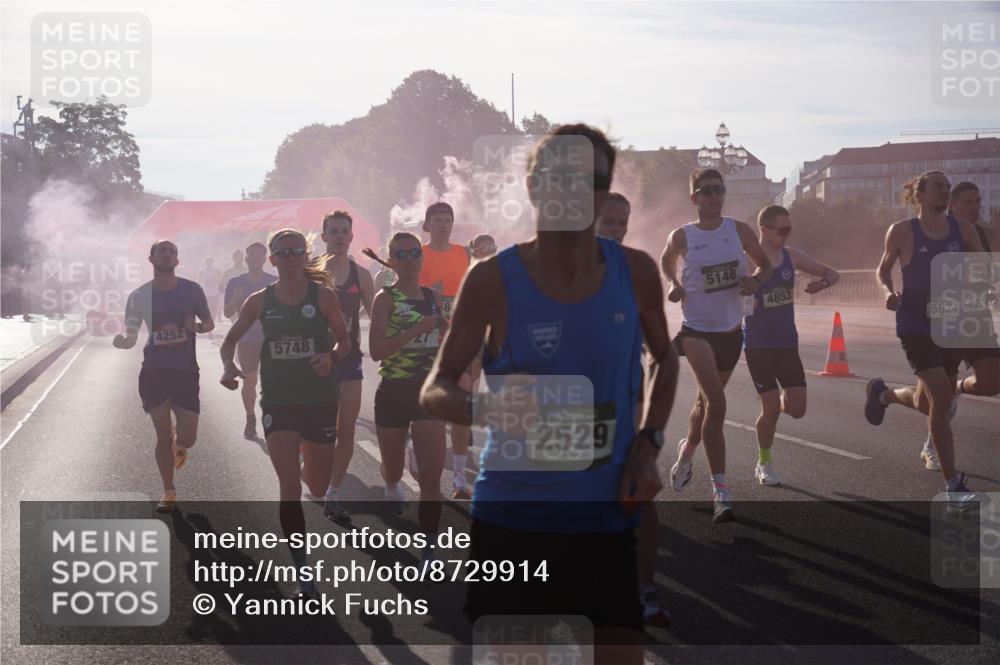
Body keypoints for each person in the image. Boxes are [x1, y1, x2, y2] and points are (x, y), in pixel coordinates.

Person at [421, 124, 679, 664]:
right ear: (535, 186)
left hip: (604, 518)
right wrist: (492, 409)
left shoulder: (635, 271)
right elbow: (435, 389)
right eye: (561, 177)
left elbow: (665, 357)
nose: (576, 191)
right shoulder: (491, 278)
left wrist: (649, 442)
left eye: (592, 180)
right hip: (514, 519)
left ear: (605, 191)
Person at [220, 229, 350, 598]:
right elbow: (229, 341)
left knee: (318, 486)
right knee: (289, 488)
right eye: (284, 252)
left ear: (304, 257)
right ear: (273, 259)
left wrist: (331, 356)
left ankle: (308, 460)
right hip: (278, 400)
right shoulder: (259, 301)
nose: (291, 257)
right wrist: (229, 368)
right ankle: (302, 568)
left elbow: (345, 340)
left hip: (320, 399)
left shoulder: (323, 296)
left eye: (297, 251)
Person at [865, 171, 997, 506]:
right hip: (916, 324)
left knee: (930, 404)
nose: (945, 192)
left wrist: (982, 286)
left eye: (947, 188)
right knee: (940, 395)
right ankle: (953, 485)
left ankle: (885, 394)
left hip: (952, 322)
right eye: (939, 187)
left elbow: (983, 269)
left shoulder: (963, 230)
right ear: (919, 195)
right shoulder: (901, 231)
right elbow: (882, 270)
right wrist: (886, 291)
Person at [660, 168, 771, 523]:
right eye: (705, 191)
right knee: (718, 403)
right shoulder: (682, 236)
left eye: (718, 190)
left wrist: (755, 281)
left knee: (705, 405)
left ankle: (688, 450)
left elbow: (764, 264)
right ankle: (721, 492)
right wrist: (673, 284)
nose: (713, 196)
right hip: (696, 332)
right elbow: (665, 261)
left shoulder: (738, 230)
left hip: (730, 330)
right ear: (694, 198)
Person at [363, 233, 448, 564]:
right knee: (394, 470)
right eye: (402, 254)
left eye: (415, 253)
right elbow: (376, 351)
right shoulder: (385, 298)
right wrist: (415, 330)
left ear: (421, 257)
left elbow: (440, 343)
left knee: (430, 477)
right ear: (392, 260)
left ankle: (429, 548)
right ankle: (391, 482)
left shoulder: (433, 297)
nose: (410, 258)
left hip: (427, 393)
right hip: (394, 393)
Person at [114, 240, 214, 512]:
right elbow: (131, 334)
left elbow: (209, 323)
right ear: (151, 258)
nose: (167, 255)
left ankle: (179, 446)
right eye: (162, 251)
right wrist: (123, 341)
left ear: (177, 261)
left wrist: (196, 326)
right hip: (154, 371)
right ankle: (168, 491)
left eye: (172, 252)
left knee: (188, 437)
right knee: (161, 435)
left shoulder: (191, 290)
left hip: (185, 371)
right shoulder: (139, 296)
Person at [743, 205, 839, 485]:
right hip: (758, 343)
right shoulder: (747, 260)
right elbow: (726, 293)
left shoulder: (791, 256)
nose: (787, 234)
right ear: (764, 230)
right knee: (770, 409)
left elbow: (833, 273)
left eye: (789, 229)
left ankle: (771, 406)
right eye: (782, 230)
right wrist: (746, 301)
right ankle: (764, 462)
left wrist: (821, 284)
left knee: (797, 410)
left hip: (786, 342)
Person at [321, 211, 376, 523]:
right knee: (319, 429)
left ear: (351, 237)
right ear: (325, 235)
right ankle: (309, 452)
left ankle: (334, 493)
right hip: (314, 363)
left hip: (350, 360)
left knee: (347, 428)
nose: (340, 236)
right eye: (334, 231)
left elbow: (376, 314)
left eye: (345, 231)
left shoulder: (362, 275)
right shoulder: (310, 272)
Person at [419, 201, 475, 499]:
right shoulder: (418, 253)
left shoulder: (462, 253)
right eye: (438, 219)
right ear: (427, 224)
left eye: (448, 219)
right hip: (424, 341)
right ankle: (421, 455)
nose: (444, 224)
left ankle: (458, 476)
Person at [222, 242, 277, 439]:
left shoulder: (274, 281)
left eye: (258, 256)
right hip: (247, 339)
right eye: (251, 255)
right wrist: (236, 298)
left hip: (272, 339)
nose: (254, 259)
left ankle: (273, 417)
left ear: (265, 259)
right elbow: (228, 313)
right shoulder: (236, 282)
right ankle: (250, 416)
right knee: (251, 381)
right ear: (246, 259)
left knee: (273, 382)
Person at [197, 257, 222, 338]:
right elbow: (199, 282)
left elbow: (222, 280)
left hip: (215, 293)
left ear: (213, 263)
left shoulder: (216, 271)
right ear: (205, 263)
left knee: (213, 311)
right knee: (207, 311)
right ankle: (208, 329)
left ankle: (211, 327)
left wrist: (215, 281)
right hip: (206, 294)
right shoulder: (202, 271)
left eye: (210, 262)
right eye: (207, 262)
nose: (209, 264)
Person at [220, 248, 245, 316]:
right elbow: (221, 287)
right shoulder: (228, 272)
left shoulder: (247, 271)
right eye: (238, 257)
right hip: (232, 303)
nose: (239, 259)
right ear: (233, 258)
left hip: (245, 301)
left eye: (241, 257)